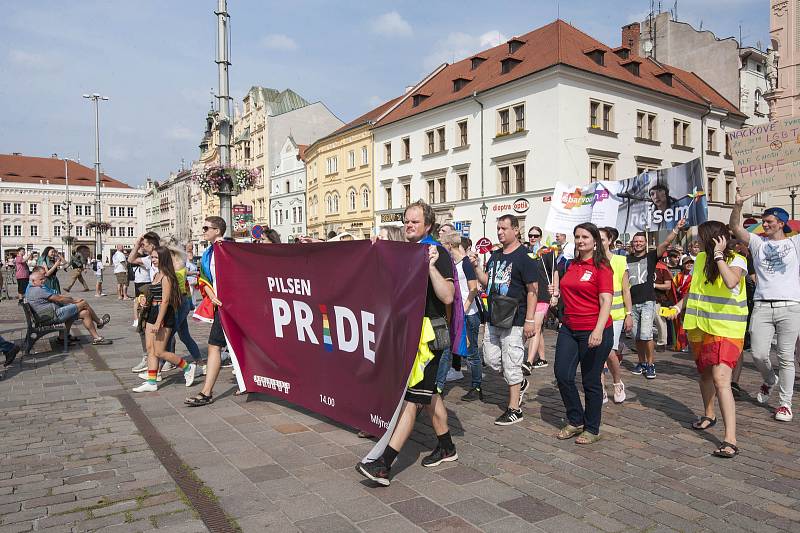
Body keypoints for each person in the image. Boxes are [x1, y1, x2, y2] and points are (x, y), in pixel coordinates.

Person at [356, 200, 457, 486]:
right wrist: (376, 252)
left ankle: (384, 465)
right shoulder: (406, 251)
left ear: (428, 225)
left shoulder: (437, 252)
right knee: (428, 395)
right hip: (408, 332)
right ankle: (447, 446)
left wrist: (432, 267)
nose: (409, 225)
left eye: (415, 221)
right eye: (406, 221)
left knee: (413, 399)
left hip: (430, 336)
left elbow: (447, 296)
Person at [671, 221, 746, 458]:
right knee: (704, 375)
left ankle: (730, 439)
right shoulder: (701, 259)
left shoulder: (737, 259)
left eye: (702, 238)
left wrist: (719, 256)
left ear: (715, 239)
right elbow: (696, 290)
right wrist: (678, 305)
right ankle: (709, 414)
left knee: (720, 379)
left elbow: (731, 281)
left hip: (727, 329)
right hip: (700, 327)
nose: (697, 243)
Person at [730, 196, 800, 422]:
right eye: (764, 221)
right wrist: (738, 204)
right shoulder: (758, 243)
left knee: (786, 357)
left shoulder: (794, 244)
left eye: (769, 221)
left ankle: (785, 404)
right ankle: (770, 379)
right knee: (759, 353)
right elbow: (734, 227)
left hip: (790, 306)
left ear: (781, 223)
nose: (765, 224)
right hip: (762, 305)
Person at [473, 214, 538, 426]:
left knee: (511, 362)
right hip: (494, 316)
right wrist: (475, 268)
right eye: (498, 228)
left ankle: (514, 409)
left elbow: (532, 290)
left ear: (516, 230)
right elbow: (487, 281)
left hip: (515, 319)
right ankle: (519, 381)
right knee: (491, 359)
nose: (500, 232)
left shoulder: (525, 257)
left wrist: (530, 320)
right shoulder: (496, 255)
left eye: (504, 228)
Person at [553, 223, 613, 444]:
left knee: (590, 381)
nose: (580, 240)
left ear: (595, 240)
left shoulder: (602, 267)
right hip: (570, 327)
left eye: (585, 237)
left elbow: (606, 300)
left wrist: (597, 330)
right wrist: (556, 293)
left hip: (594, 329)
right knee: (562, 374)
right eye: (577, 237)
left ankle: (592, 428)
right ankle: (576, 419)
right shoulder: (572, 264)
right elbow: (571, 290)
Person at [132, 247, 198, 392]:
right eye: (152, 258)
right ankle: (151, 382)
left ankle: (187, 367)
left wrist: (158, 321)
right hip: (152, 312)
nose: (153, 260)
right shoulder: (156, 275)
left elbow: (166, 300)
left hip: (164, 314)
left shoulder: (167, 276)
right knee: (150, 349)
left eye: (155, 257)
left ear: (164, 259)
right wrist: (144, 299)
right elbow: (153, 294)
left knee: (160, 351)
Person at [627, 220, 686, 379]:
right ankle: (641, 362)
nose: (638, 244)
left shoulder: (651, 256)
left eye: (641, 241)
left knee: (646, 334)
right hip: (632, 302)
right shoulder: (626, 259)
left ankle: (651, 364)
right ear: (632, 244)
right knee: (636, 336)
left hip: (647, 301)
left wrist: (676, 228)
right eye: (636, 241)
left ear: (646, 244)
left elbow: (666, 242)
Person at [185, 217, 228, 407]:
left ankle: (206, 392)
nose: (204, 231)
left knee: (216, 346)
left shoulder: (228, 249)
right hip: (221, 306)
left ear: (217, 230)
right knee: (215, 346)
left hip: (231, 306)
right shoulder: (208, 253)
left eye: (206, 228)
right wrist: (211, 296)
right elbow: (204, 278)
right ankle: (206, 391)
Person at [24, 270, 112, 345]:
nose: (44, 280)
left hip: (47, 315)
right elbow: (59, 299)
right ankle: (99, 322)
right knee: (83, 303)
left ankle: (96, 338)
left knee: (85, 313)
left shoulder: (32, 289)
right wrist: (74, 301)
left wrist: (71, 300)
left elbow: (57, 297)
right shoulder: (38, 290)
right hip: (53, 315)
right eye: (41, 279)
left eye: (44, 278)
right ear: (33, 281)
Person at [599, 227, 632, 404]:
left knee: (609, 351)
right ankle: (601, 388)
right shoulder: (592, 260)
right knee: (597, 352)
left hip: (616, 314)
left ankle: (617, 382)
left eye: (602, 239)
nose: (599, 242)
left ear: (610, 240)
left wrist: (629, 313)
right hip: (595, 314)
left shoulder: (620, 260)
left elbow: (626, 290)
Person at [522, 239, 559, 374]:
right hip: (529, 295)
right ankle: (541, 358)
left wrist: (555, 293)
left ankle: (529, 362)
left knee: (535, 328)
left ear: (540, 236)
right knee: (536, 329)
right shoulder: (526, 253)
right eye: (530, 235)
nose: (532, 237)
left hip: (543, 295)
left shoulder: (547, 253)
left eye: (536, 235)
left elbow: (555, 273)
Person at [128, 232, 160, 372]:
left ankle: (156, 362)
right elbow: (131, 259)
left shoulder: (162, 257)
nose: (142, 246)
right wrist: (136, 245)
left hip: (159, 297)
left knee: (162, 331)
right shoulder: (149, 259)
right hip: (151, 294)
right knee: (144, 327)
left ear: (152, 245)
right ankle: (151, 359)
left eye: (144, 244)